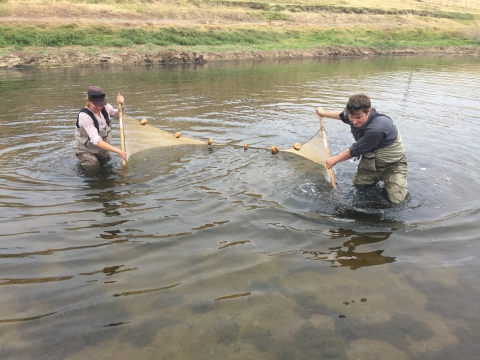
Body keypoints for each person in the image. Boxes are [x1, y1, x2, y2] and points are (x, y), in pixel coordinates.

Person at [316, 94, 407, 203]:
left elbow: (355, 150)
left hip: (393, 166)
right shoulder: (354, 114)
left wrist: (334, 160)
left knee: (397, 201)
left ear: (369, 110)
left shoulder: (377, 129)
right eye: (351, 117)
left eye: (358, 118)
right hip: (369, 162)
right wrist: (323, 113)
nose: (354, 122)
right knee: (360, 187)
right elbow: (341, 115)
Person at [75, 86, 127, 168]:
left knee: (106, 167)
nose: (99, 107)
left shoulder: (106, 107)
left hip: (103, 150)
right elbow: (96, 140)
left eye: (101, 104)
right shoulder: (84, 116)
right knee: (93, 167)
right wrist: (118, 151)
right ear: (89, 101)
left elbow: (118, 116)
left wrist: (121, 105)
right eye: (96, 104)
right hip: (86, 151)